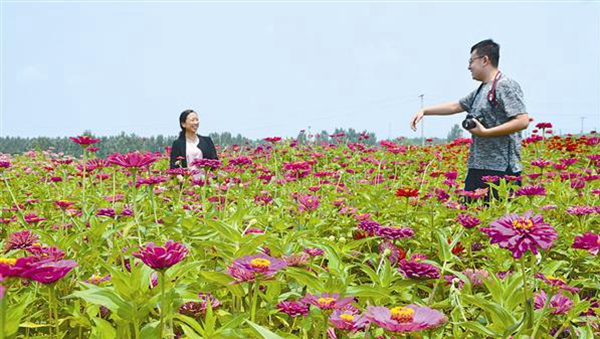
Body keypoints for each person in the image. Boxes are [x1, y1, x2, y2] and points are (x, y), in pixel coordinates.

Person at [409, 39, 530, 200]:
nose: (468, 67)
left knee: (497, 221)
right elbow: (455, 106)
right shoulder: (482, 89)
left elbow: (522, 120)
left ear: (485, 60)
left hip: (501, 170)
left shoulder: (505, 85)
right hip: (478, 166)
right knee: (470, 214)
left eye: (471, 61)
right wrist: (425, 110)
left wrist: (487, 132)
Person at [169, 109, 218, 176]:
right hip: (187, 183)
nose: (196, 122)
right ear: (183, 124)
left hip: (206, 182)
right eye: (192, 120)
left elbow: (215, 162)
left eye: (197, 120)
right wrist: (181, 178)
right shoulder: (178, 144)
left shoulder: (207, 141)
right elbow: (173, 167)